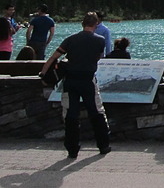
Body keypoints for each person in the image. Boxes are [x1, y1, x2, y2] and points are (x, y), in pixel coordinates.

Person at [38, 12, 110, 158]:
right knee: (96, 111)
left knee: (71, 114)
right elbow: (99, 57)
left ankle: (72, 148)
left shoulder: (71, 39)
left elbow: (54, 57)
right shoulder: (100, 40)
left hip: (71, 80)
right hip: (88, 79)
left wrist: (43, 73)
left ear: (82, 23)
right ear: (96, 24)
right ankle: (103, 145)